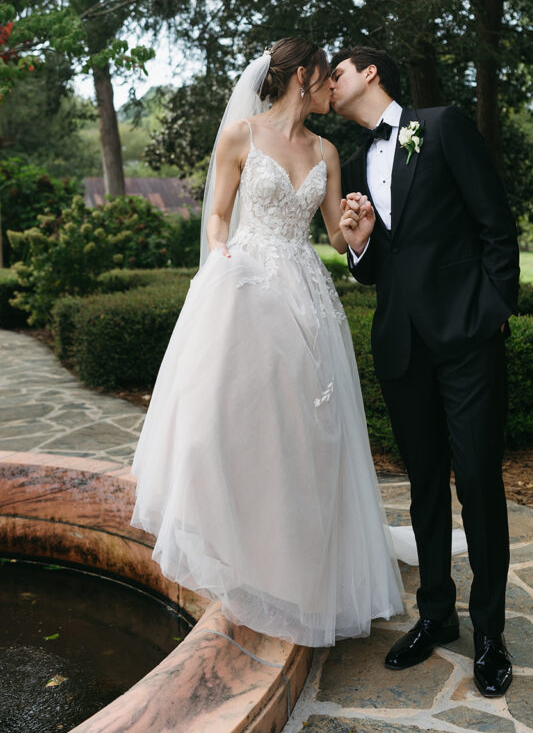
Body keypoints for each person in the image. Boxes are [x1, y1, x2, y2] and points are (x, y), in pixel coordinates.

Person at [130, 38, 403, 648]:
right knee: (225, 428)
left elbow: (333, 234)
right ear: (301, 77)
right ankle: (241, 553)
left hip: (306, 298)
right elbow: (218, 214)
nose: (331, 83)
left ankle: (297, 571)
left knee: (306, 435)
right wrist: (222, 252)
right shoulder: (241, 137)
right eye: (323, 73)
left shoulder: (328, 151)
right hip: (248, 292)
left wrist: (354, 226)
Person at [330, 46, 519, 696]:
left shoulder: (440, 127)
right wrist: (357, 244)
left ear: (371, 72)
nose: (330, 82)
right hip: (401, 348)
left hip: (467, 341)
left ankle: (489, 632)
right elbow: (379, 264)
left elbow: (495, 222)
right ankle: (435, 614)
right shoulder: (354, 164)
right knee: (424, 489)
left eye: (338, 72)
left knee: (476, 481)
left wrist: (492, 312)